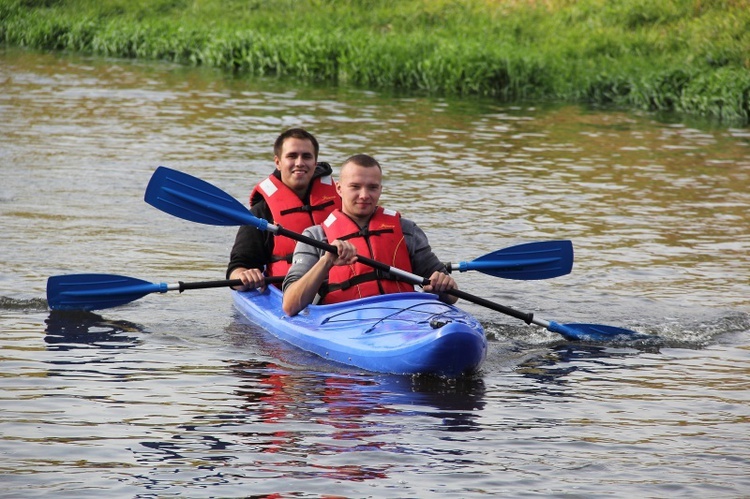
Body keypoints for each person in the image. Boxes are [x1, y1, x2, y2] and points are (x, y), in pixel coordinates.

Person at [282, 153, 458, 316]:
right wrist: (326, 261)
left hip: (404, 319)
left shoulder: (407, 231)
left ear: (380, 189)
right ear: (339, 188)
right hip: (344, 321)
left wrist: (442, 285)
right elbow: (290, 306)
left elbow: (451, 296)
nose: (364, 195)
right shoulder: (315, 237)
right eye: (355, 187)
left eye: (372, 187)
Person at [227, 128, 342, 290]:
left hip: (341, 289)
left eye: (307, 156)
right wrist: (243, 275)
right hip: (289, 291)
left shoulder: (342, 201)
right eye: (292, 156)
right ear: (278, 162)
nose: (300, 162)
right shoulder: (261, 213)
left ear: (315, 163)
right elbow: (238, 267)